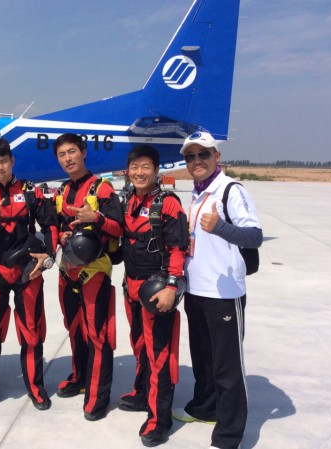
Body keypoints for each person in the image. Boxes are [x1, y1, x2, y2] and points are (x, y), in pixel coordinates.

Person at [173, 131, 263, 449]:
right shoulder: (198, 193)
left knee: (227, 367)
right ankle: (205, 407)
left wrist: (221, 227)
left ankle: (228, 435)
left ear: (217, 156)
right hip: (197, 291)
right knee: (203, 359)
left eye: (203, 154)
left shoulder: (231, 190)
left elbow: (255, 236)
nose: (197, 161)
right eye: (190, 156)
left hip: (224, 294)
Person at [0, 138, 58, 411]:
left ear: (12, 161)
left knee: (32, 332)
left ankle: (35, 388)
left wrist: (49, 256)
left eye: (4, 161)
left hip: (27, 273)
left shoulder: (31, 191)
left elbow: (51, 225)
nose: (0, 167)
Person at [119, 145, 189, 446]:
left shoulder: (168, 204)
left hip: (157, 293)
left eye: (145, 167)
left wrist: (172, 287)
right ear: (128, 171)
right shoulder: (127, 201)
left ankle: (160, 420)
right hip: (131, 289)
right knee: (139, 346)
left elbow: (178, 248)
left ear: (157, 170)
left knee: (160, 354)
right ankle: (141, 394)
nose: (139, 172)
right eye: (135, 167)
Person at [52, 133, 123, 421]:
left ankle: (98, 396)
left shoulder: (102, 188)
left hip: (94, 271)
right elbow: (56, 226)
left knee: (97, 334)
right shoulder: (61, 191)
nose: (67, 158)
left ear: (83, 152)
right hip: (66, 270)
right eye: (62, 154)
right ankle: (80, 377)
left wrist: (97, 218)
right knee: (74, 328)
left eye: (72, 152)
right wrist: (60, 235)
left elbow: (119, 227)